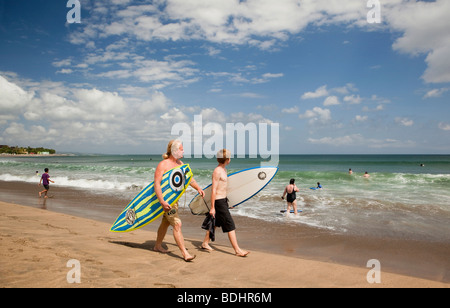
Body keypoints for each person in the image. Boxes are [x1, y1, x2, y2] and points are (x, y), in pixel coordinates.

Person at [153, 140, 204, 262]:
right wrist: (162, 201)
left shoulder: (180, 164)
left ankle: (157, 246)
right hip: (165, 201)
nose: (183, 151)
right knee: (177, 224)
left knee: (166, 222)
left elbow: (189, 178)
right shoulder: (163, 165)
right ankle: (185, 253)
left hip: (173, 201)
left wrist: (198, 188)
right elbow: (157, 184)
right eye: (181, 149)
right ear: (174, 151)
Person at [201, 149, 249, 257]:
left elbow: (224, 188)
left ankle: (205, 243)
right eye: (230, 157)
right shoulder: (217, 171)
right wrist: (213, 207)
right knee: (230, 225)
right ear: (227, 159)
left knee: (215, 223)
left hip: (223, 200)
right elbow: (214, 190)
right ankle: (237, 250)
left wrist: (229, 202)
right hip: (218, 201)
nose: (230, 159)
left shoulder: (224, 170)